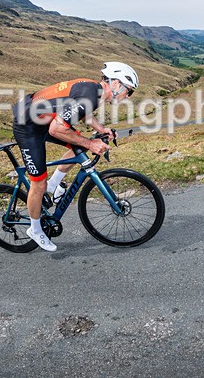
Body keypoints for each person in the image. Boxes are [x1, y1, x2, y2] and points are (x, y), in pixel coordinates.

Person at [12, 61, 139, 252]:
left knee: (79, 148)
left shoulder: (94, 90)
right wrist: (91, 144)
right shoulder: (91, 95)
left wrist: (101, 129)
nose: (127, 96)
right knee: (38, 184)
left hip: (43, 119)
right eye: (128, 91)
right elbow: (56, 129)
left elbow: (83, 113)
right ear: (115, 83)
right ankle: (35, 229)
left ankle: (54, 185)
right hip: (28, 127)